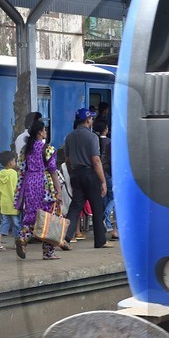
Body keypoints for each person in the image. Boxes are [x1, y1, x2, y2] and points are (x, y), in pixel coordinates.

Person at [14, 116, 65, 261]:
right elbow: (53, 171)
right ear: (40, 133)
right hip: (45, 185)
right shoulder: (48, 149)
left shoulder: (26, 150)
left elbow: (22, 170)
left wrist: (20, 193)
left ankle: (23, 238)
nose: (46, 132)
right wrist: (59, 191)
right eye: (45, 130)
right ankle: (48, 252)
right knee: (49, 216)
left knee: (32, 214)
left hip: (30, 184)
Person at [62, 107, 109, 249]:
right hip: (90, 174)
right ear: (88, 120)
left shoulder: (69, 137)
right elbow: (96, 160)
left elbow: (67, 160)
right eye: (91, 118)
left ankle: (66, 237)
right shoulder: (92, 137)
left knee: (75, 206)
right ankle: (100, 240)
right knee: (97, 207)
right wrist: (103, 181)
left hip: (76, 173)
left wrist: (72, 173)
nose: (92, 120)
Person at [0, 150, 20, 252]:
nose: (15, 163)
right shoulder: (13, 173)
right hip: (14, 203)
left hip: (4, 204)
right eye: (15, 161)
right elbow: (16, 189)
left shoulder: (0, 174)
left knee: (4, 223)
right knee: (17, 224)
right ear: (11, 162)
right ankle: (17, 243)